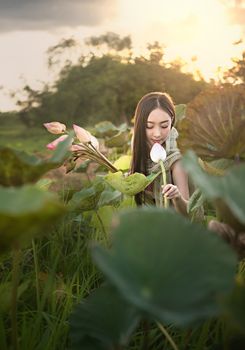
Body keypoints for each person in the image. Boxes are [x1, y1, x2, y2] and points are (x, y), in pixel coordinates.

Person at [130, 91, 189, 215]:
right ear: (140, 125)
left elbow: (190, 212)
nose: (157, 134)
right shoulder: (138, 147)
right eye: (149, 126)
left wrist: (177, 197)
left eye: (164, 126)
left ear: (171, 121)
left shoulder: (176, 159)